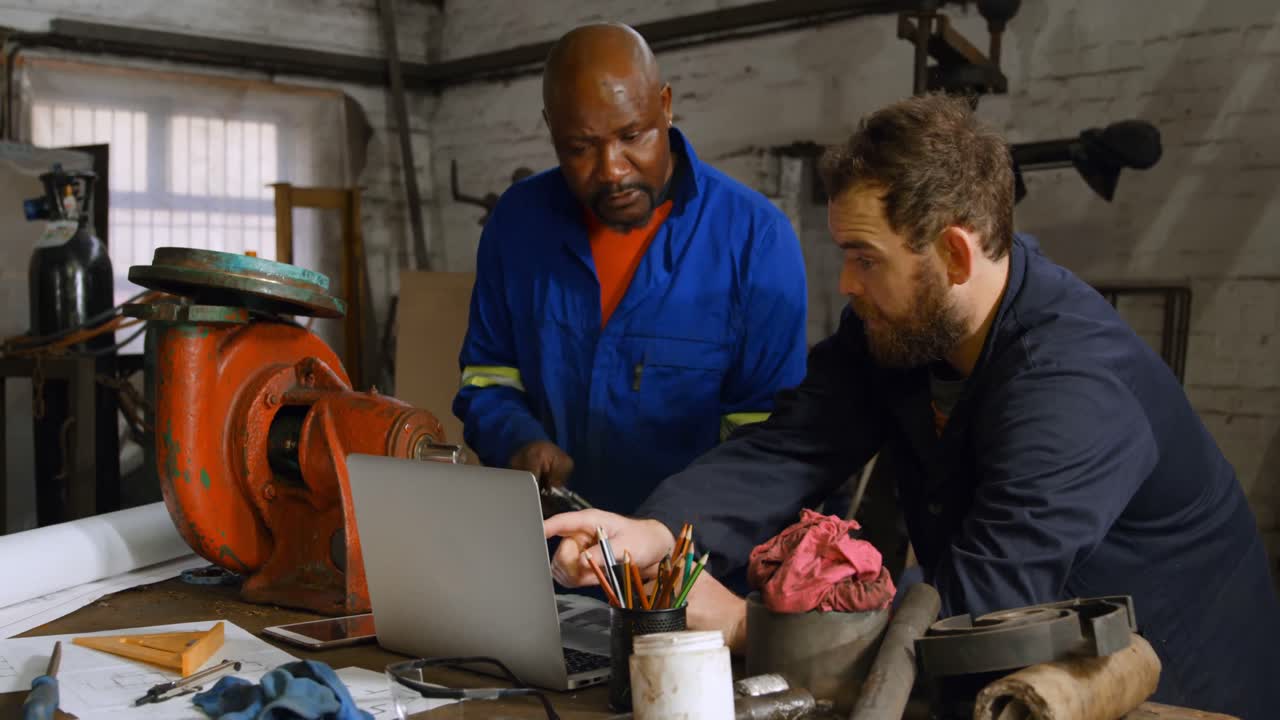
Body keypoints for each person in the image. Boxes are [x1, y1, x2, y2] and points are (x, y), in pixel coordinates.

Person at [544, 93, 1280, 718]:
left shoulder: (1072, 389)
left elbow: (978, 605)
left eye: (866, 258)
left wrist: (745, 625)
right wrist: (656, 534)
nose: (849, 284)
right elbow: (789, 446)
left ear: (955, 255)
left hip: (1176, 689)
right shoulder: (902, 329)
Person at [454, 23, 808, 516]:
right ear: (550, 128)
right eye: (580, 148)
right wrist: (517, 440)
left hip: (692, 569)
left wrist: (668, 530)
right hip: (549, 553)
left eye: (631, 136)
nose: (612, 170)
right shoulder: (517, 226)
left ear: (664, 105)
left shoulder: (755, 242)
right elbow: (487, 377)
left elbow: (765, 439)